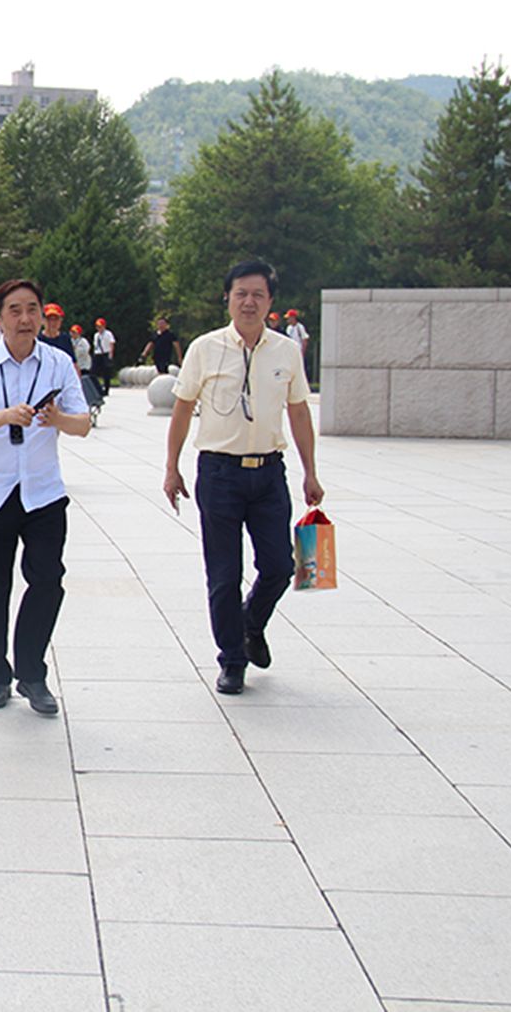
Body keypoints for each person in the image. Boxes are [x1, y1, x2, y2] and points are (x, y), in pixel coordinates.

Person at [164, 260, 324, 696]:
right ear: (228, 298)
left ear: (271, 302)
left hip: (269, 473)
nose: (249, 302)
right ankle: (232, 660)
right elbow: (181, 409)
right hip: (219, 473)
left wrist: (311, 472)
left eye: (258, 294)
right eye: (241, 294)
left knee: (279, 566)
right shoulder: (205, 348)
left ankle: (252, 624)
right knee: (223, 572)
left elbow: (298, 412)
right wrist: (171, 466)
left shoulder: (286, 352)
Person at [0, 278, 90, 715]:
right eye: (15, 310)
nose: (26, 319)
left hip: (44, 492)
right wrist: (5, 416)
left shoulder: (59, 363)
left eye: (33, 308)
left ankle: (32, 672)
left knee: (48, 580)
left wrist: (58, 418)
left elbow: (83, 423)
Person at [92, 318, 116, 392]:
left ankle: (106, 388)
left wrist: (111, 354)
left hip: (105, 353)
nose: (99, 328)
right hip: (98, 353)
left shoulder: (108, 334)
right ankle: (96, 388)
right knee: (94, 371)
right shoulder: (96, 335)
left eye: (100, 326)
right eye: (97, 327)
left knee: (106, 372)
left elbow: (111, 343)